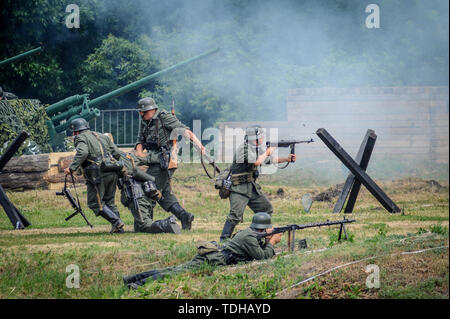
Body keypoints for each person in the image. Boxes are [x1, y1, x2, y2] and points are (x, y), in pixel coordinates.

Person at [123, 212, 282, 289]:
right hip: (212, 259)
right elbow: (262, 257)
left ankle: (133, 279)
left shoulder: (249, 233)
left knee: (172, 269)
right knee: (173, 272)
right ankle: (136, 284)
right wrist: (272, 242)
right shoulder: (249, 237)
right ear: (263, 229)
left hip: (213, 255)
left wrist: (267, 240)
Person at [134, 97, 205, 230]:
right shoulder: (145, 121)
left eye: (142, 112)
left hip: (164, 162)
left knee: (149, 188)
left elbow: (184, 131)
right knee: (164, 194)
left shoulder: (164, 117)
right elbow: (140, 140)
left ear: (149, 110)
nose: (140, 114)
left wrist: (199, 146)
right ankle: (184, 216)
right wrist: (139, 153)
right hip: (151, 160)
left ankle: (144, 224)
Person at [219, 125, 296, 241]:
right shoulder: (244, 149)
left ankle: (258, 236)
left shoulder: (255, 149)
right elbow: (256, 161)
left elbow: (269, 160)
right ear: (253, 138)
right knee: (235, 215)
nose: (262, 138)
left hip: (250, 186)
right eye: (260, 137)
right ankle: (223, 241)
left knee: (266, 208)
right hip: (238, 187)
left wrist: (287, 159)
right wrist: (268, 152)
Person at [64, 118, 124, 233]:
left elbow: (83, 152)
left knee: (95, 203)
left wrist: (72, 168)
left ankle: (117, 222)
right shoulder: (102, 136)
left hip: (97, 174)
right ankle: (118, 228)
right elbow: (116, 152)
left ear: (76, 132)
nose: (73, 135)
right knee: (109, 201)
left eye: (73, 133)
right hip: (112, 170)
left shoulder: (81, 138)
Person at [117, 152, 181, 234]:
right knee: (139, 229)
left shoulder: (120, 159)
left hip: (137, 196)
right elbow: (147, 158)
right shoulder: (130, 157)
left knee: (145, 225)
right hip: (146, 195)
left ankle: (166, 224)